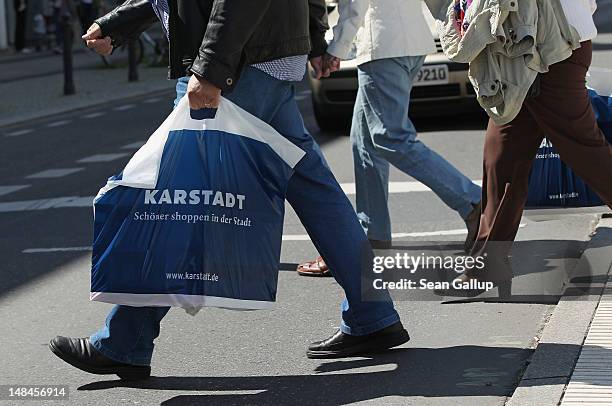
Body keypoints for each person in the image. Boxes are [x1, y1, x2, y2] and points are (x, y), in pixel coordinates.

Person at [48, 0, 410, 380]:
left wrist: (211, 70)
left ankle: (123, 341)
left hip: (238, 65)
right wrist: (118, 23)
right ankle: (372, 312)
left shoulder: (222, 67)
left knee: (182, 200)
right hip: (265, 59)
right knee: (312, 189)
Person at [437, 0, 612, 297]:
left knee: (583, 150)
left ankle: (484, 267)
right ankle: (485, 267)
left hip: (555, 44)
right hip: (525, 44)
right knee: (502, 155)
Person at [297, 0, 482, 277]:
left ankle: (474, 202)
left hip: (383, 44)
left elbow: (355, 3)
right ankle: (372, 239)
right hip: (410, 41)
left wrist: (336, 48)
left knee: (390, 137)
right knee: (366, 143)